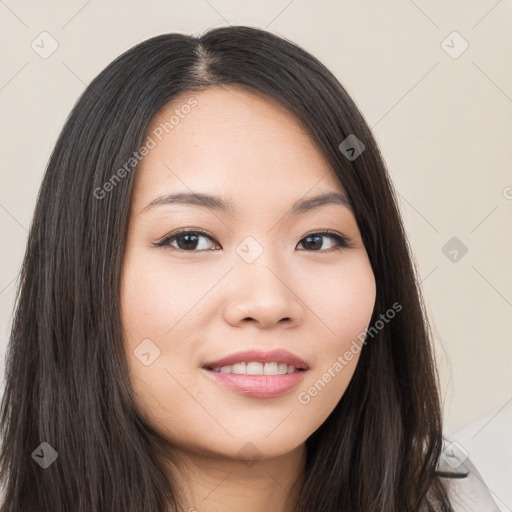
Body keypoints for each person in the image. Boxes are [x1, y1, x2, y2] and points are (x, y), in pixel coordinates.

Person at [0, 25, 499, 512]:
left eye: (317, 239)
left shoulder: (460, 497)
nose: (268, 302)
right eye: (191, 240)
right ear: (80, 274)